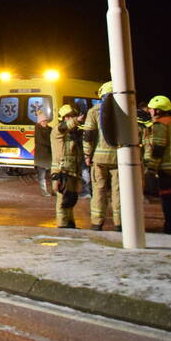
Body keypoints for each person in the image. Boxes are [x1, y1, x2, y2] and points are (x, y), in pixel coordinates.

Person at [145, 95, 171, 235]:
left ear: (158, 111)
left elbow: (158, 148)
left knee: (168, 202)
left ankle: (169, 230)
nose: (149, 111)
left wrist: (151, 168)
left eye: (151, 109)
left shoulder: (160, 124)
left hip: (166, 171)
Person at [83, 81, 121, 231]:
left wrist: (87, 154)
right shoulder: (125, 110)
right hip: (119, 158)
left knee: (99, 191)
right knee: (118, 192)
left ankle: (97, 223)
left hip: (99, 159)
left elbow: (88, 136)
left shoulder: (94, 111)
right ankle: (120, 224)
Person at [50, 104, 83, 228]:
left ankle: (70, 223)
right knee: (62, 200)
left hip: (73, 171)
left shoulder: (74, 134)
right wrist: (77, 120)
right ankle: (62, 225)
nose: (70, 119)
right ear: (62, 119)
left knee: (70, 199)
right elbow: (64, 127)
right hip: (61, 171)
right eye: (67, 117)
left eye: (72, 116)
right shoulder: (57, 131)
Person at [33, 108, 52, 196]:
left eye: (45, 121)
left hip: (49, 155)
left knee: (52, 175)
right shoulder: (38, 130)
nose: (45, 122)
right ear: (39, 122)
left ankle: (54, 190)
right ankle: (44, 191)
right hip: (41, 156)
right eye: (43, 121)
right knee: (42, 175)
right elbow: (41, 141)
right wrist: (51, 144)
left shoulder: (50, 129)